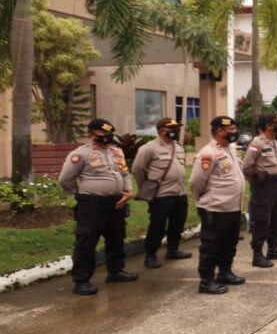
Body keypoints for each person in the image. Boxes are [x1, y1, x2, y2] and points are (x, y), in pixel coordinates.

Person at [58, 118, 138, 295]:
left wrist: (128, 191)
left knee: (116, 238)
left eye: (109, 133)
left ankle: (115, 271)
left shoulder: (116, 151)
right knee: (86, 242)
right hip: (92, 205)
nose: (107, 136)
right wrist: (80, 194)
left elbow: (124, 173)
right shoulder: (81, 154)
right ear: (91, 134)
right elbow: (65, 179)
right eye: (103, 133)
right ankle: (81, 280)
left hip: (116, 202)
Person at [190, 116, 247, 294]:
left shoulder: (230, 149)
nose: (235, 132)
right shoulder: (208, 153)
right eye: (231, 130)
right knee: (212, 245)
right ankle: (206, 280)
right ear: (220, 131)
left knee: (229, 243)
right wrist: (203, 199)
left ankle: (225, 272)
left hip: (232, 206)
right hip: (215, 207)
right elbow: (196, 181)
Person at [132, 117, 190, 269]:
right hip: (161, 194)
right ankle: (150, 256)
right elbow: (138, 169)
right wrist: (147, 187)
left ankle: (173, 250)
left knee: (177, 224)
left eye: (177, 128)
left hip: (180, 192)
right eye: (173, 129)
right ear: (162, 131)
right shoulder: (149, 148)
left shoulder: (179, 147)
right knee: (157, 227)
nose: (176, 131)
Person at [241, 113, 277, 267]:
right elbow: (247, 166)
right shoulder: (257, 143)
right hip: (264, 185)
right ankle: (257, 255)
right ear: (268, 126)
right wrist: (257, 181)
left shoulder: (275, 141)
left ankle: (273, 249)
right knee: (262, 219)